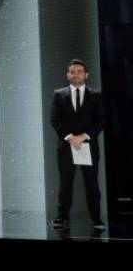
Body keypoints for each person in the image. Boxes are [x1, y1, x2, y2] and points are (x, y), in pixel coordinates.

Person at [49, 59, 106, 230]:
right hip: (66, 146)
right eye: (72, 71)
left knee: (91, 184)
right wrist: (70, 137)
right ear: (68, 75)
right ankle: (62, 218)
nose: (76, 74)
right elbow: (55, 120)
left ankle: (96, 219)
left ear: (86, 74)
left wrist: (83, 136)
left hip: (88, 145)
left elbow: (101, 121)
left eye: (79, 71)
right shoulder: (58, 94)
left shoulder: (96, 95)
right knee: (65, 183)